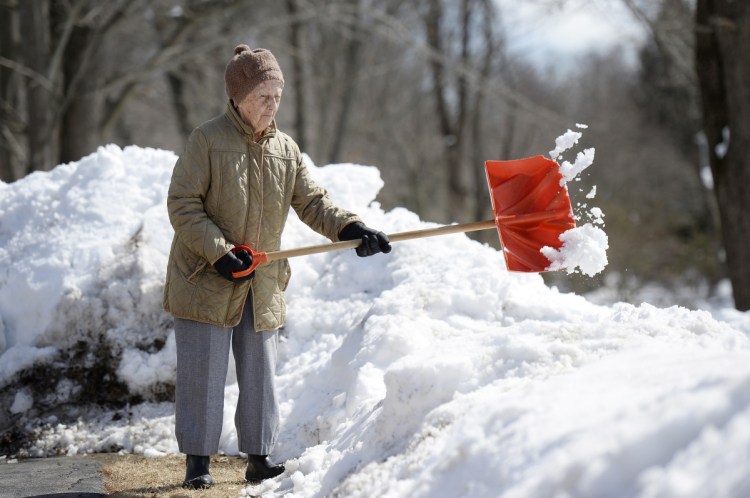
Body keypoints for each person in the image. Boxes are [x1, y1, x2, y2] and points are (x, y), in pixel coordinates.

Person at [163, 44, 391, 489]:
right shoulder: (207, 140)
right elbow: (183, 204)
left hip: (260, 280)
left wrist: (353, 228)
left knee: (260, 374)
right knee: (202, 372)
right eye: (264, 94)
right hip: (206, 277)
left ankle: (258, 458)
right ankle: (198, 464)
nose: (274, 103)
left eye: (278, 93)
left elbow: (313, 202)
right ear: (238, 96)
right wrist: (220, 252)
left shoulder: (286, 149)